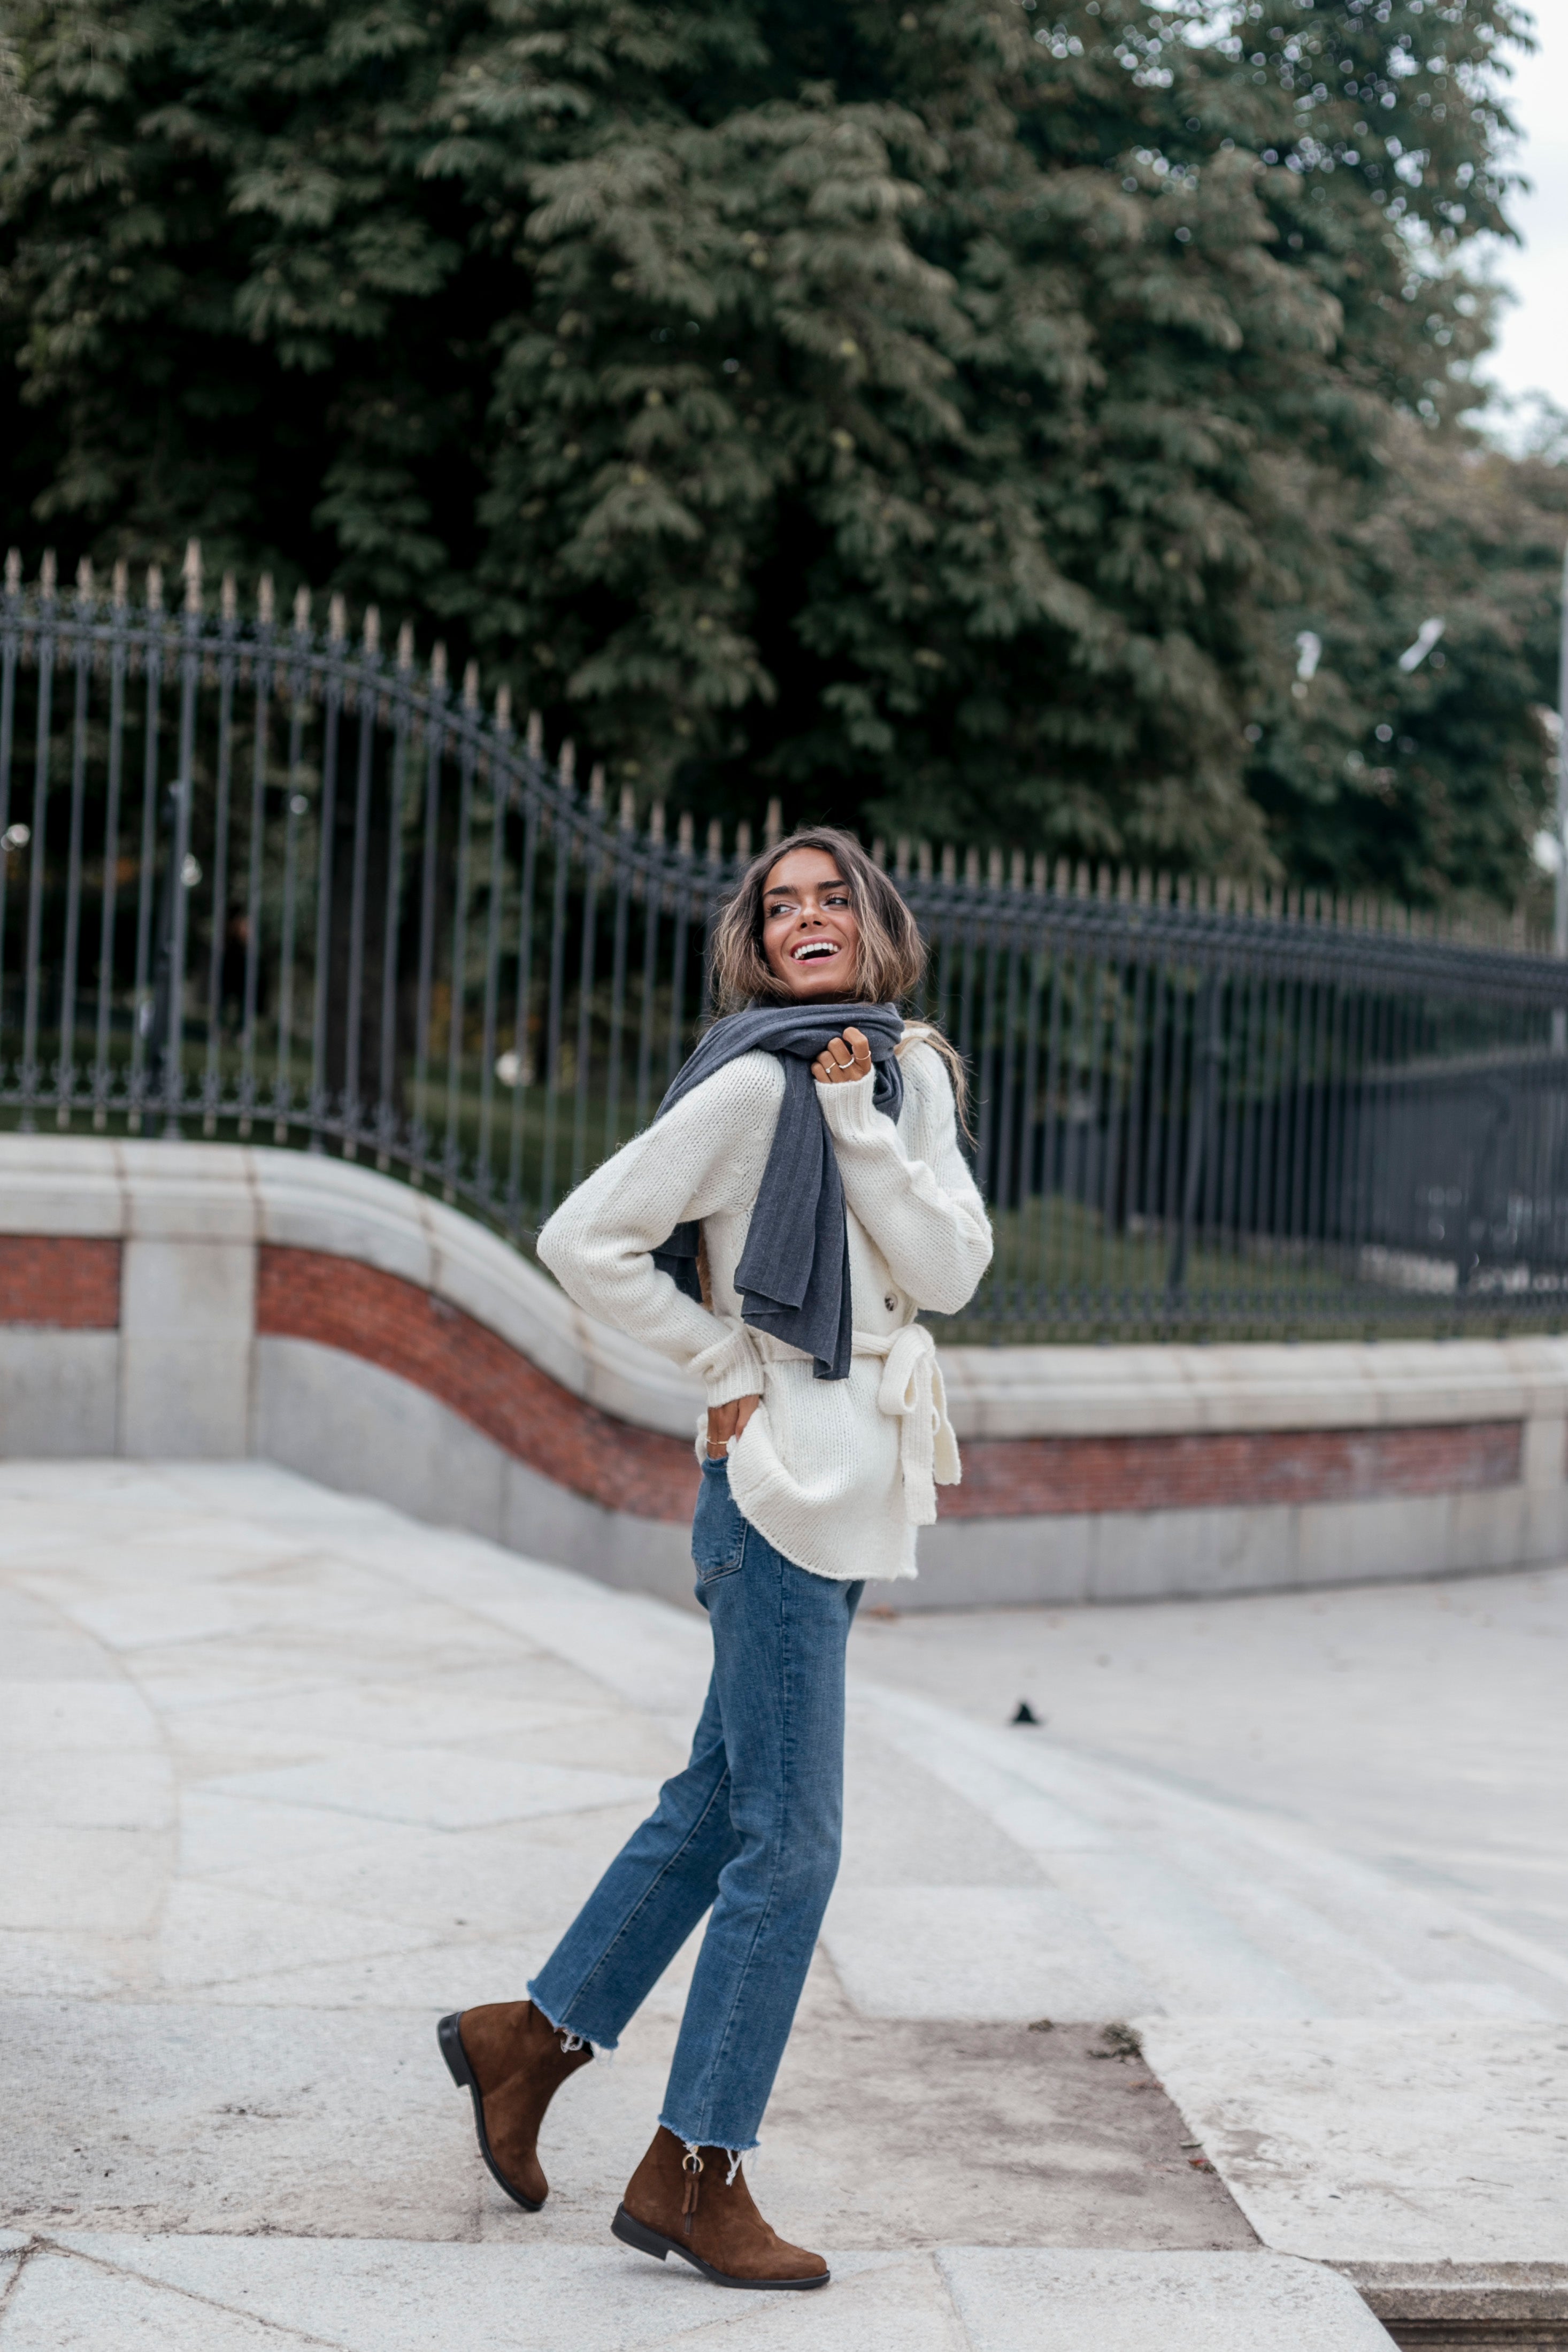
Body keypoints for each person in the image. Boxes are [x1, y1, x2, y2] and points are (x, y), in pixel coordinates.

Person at [438, 826, 992, 2290]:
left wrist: (864, 1121)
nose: (804, 918)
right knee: (788, 1842)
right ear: (754, 944)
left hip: (860, 1473)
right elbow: (584, 1237)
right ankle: (696, 2171)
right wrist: (716, 1363)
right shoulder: (751, 1080)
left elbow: (947, 1272)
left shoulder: (906, 1067)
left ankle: (528, 2040)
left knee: (720, 1802)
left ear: (875, 926)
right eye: (777, 906)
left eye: (830, 898)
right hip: (777, 1485)